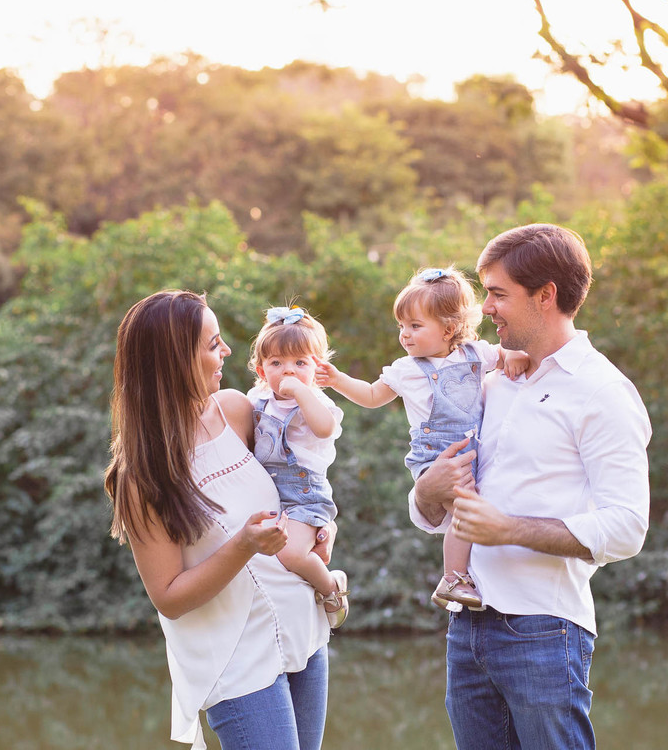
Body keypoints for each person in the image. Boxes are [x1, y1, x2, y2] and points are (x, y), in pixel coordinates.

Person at [409, 224, 652, 750]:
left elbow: (627, 528)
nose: (485, 308)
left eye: (498, 294)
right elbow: (438, 502)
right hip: (466, 625)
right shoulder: (487, 381)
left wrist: (509, 529)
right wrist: (427, 491)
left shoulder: (603, 392)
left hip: (545, 628)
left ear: (546, 296)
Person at [104, 290, 335, 750]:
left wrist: (324, 529)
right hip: (237, 664)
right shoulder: (142, 476)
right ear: (175, 361)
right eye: (213, 344)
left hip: (303, 633)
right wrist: (244, 545)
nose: (227, 351)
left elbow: (300, 480)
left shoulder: (236, 410)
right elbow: (169, 598)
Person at [314, 267, 527, 612]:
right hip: (434, 457)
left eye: (415, 326)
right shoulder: (407, 369)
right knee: (465, 509)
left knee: (470, 512)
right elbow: (371, 395)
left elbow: (503, 355)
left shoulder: (474, 353)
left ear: (449, 329)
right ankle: (452, 578)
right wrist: (338, 380)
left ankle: (467, 577)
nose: (405, 335)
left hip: (468, 453)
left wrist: (513, 355)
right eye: (401, 326)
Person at [246, 305, 350, 627]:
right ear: (262, 370)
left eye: (300, 363)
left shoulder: (318, 402)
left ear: (317, 368)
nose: (288, 371)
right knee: (268, 554)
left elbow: (324, 429)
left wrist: (302, 392)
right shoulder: (258, 400)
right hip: (269, 491)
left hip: (305, 494)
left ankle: (331, 588)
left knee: (290, 554)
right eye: (277, 363)